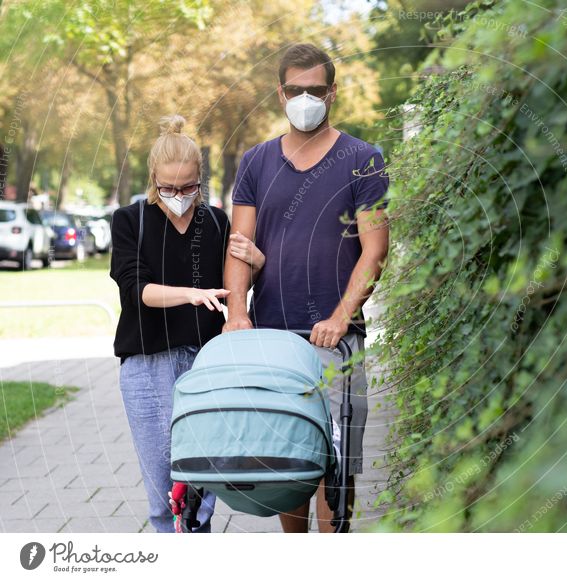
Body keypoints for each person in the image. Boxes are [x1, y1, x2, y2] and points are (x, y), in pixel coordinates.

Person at [223, 43, 390, 532]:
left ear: (332, 93)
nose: (304, 99)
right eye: (294, 90)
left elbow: (375, 250)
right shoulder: (255, 162)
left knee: (336, 472)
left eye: (315, 90)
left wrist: (340, 317)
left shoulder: (364, 160)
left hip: (337, 341)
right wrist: (238, 311)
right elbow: (239, 247)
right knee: (284, 464)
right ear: (280, 93)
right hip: (272, 339)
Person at [110, 115, 265, 533]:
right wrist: (189, 293)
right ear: (153, 179)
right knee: (165, 498)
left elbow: (236, 286)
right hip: (148, 367)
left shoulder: (214, 222)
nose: (178, 195)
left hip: (207, 362)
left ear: (201, 178)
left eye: (188, 187)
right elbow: (135, 290)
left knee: (201, 493)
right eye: (168, 188)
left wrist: (258, 265)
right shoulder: (131, 221)